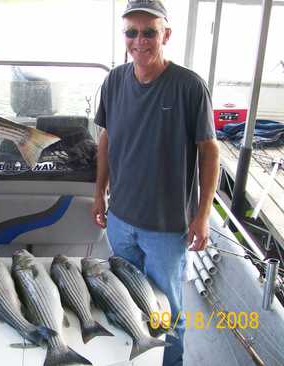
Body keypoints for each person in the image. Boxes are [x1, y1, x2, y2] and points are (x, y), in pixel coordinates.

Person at [91, 1, 219, 365]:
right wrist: (99, 193)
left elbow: (210, 152)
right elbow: (107, 140)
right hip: (121, 220)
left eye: (149, 32)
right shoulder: (114, 80)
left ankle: (169, 362)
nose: (140, 41)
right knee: (126, 301)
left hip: (166, 228)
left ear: (166, 34)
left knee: (166, 308)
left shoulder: (189, 86)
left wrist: (202, 215)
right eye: (131, 32)